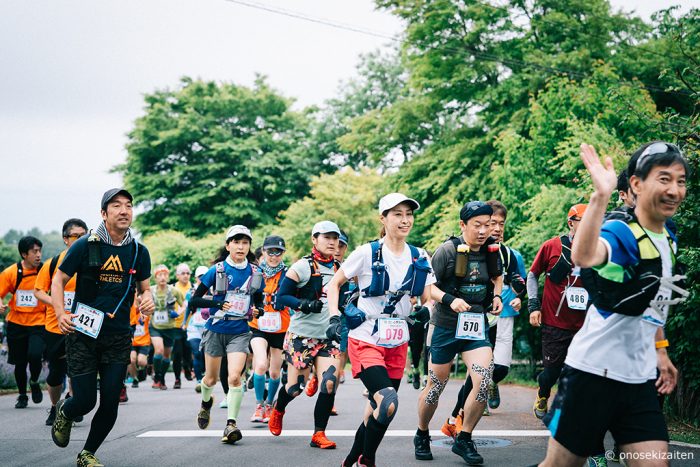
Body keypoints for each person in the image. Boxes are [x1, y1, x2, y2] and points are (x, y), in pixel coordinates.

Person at [535, 142, 689, 467]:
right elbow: (585, 255)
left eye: (681, 180)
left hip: (640, 379)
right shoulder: (621, 232)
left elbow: (654, 302)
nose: (674, 189)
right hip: (592, 375)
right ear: (636, 184)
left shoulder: (669, 237)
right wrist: (599, 197)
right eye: (664, 179)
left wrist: (660, 350)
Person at [326, 193, 436, 467]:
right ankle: (368, 459)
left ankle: (353, 457)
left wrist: (427, 310)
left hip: (398, 340)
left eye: (408, 214)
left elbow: (429, 294)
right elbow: (334, 285)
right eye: (397, 214)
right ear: (383, 219)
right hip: (365, 337)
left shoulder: (419, 255)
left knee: (379, 408)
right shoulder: (366, 252)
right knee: (388, 401)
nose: (405, 220)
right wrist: (333, 317)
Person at [49, 188, 154, 467]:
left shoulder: (138, 252)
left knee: (110, 400)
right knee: (84, 401)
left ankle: (87, 453)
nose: (124, 210)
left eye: (128, 205)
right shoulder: (85, 244)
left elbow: (145, 289)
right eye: (116, 205)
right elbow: (58, 280)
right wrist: (61, 313)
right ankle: (66, 410)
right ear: (103, 213)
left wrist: (148, 300)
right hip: (83, 333)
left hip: (118, 335)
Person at [414, 200, 503, 465]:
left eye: (488, 225)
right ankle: (421, 433)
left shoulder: (491, 250)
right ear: (463, 225)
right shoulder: (447, 251)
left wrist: (497, 296)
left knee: (484, 379)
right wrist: (449, 300)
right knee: (435, 387)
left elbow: (497, 277)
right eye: (477, 225)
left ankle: (464, 438)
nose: (483, 230)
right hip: (445, 326)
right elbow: (428, 287)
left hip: (475, 326)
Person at [268, 220, 343, 450]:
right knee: (294, 389)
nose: (332, 242)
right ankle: (278, 408)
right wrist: (304, 304)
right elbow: (281, 298)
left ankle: (319, 434)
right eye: (326, 237)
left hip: (329, 336)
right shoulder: (301, 267)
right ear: (314, 239)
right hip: (302, 336)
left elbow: (346, 296)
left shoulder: (341, 268)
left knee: (330, 382)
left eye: (335, 238)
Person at [190, 225, 262, 444]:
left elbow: (259, 302)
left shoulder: (255, 272)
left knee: (234, 377)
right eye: (236, 242)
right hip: (216, 329)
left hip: (240, 331)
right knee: (211, 378)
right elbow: (194, 300)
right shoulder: (218, 270)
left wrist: (259, 310)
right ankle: (205, 402)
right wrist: (218, 303)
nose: (241, 247)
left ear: (249, 246)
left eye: (245, 243)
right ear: (228, 245)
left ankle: (231, 424)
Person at [528, 203, 588, 420]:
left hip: (585, 324)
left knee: (580, 372)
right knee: (551, 373)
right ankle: (543, 392)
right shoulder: (552, 246)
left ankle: (569, 412)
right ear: (571, 222)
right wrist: (533, 306)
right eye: (583, 220)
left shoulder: (598, 249)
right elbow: (533, 275)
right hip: (555, 322)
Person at [34, 219, 88, 424]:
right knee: (56, 373)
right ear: (66, 239)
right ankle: (54, 407)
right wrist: (57, 305)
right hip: (55, 326)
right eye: (76, 236)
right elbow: (37, 291)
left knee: (77, 367)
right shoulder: (53, 264)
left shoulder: (91, 263)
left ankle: (73, 403)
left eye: (84, 235)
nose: (81, 239)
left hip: (81, 325)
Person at [246, 235, 290, 422]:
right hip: (259, 325)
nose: (273, 256)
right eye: (270, 251)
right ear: (263, 252)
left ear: (283, 253)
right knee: (261, 364)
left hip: (280, 327)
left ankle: (270, 405)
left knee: (274, 371)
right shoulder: (254, 272)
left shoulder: (289, 273)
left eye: (278, 252)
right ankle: (259, 405)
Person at [0, 235, 46, 409]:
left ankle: (34, 381)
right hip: (16, 323)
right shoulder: (12, 272)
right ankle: (22, 395)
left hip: (39, 322)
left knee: (35, 355)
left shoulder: (44, 271)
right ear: (24, 254)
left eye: (40, 251)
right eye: (34, 251)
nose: (38, 255)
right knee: (20, 363)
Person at [149, 264, 185, 390]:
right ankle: (157, 377)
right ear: (155, 277)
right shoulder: (151, 290)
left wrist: (178, 313)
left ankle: (162, 378)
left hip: (170, 327)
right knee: (158, 350)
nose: (163, 277)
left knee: (166, 356)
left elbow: (183, 304)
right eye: (160, 275)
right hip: (155, 326)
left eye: (165, 275)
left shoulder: (174, 291)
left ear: (168, 277)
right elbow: (140, 300)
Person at [184, 266, 210, 392]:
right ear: (196, 278)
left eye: (205, 276)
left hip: (208, 326)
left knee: (207, 353)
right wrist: (184, 323)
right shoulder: (191, 292)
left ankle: (206, 376)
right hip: (194, 326)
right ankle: (199, 380)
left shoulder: (214, 291)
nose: (202, 279)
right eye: (200, 277)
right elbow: (188, 309)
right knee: (196, 353)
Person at [172, 263, 194, 387]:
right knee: (177, 352)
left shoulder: (194, 288)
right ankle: (177, 379)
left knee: (188, 350)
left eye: (188, 273)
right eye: (183, 273)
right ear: (177, 275)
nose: (186, 276)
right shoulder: (173, 288)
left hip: (190, 325)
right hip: (175, 325)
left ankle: (187, 368)